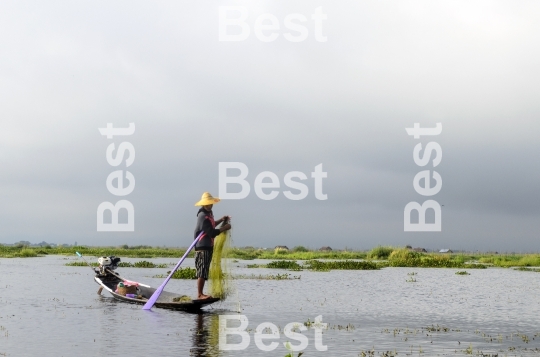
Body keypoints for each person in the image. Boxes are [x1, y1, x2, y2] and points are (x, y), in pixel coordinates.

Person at [193, 192, 231, 300]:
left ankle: (201, 294)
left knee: (204, 271)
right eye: (208, 204)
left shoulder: (209, 213)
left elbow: (212, 224)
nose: (210, 205)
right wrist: (225, 227)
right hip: (202, 247)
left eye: (211, 203)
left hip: (208, 246)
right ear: (204, 204)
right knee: (202, 270)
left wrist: (221, 220)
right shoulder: (203, 216)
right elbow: (212, 232)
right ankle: (200, 294)